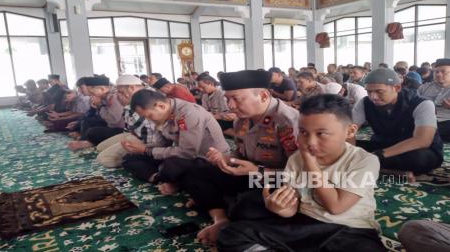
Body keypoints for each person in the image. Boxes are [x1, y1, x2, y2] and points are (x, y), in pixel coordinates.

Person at [217, 94, 385, 252]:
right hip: (303, 223)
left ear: (350, 131)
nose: (310, 142)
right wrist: (279, 208)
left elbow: (336, 207)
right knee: (230, 234)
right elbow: (292, 205)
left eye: (322, 134)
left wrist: (310, 163)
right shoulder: (297, 158)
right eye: (304, 132)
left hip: (348, 229)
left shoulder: (364, 160)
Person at [182, 70, 300, 246]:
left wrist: (258, 171)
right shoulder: (241, 120)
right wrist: (225, 158)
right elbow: (240, 154)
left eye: (236, 98)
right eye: (227, 98)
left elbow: (301, 175)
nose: (230, 105)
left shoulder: (287, 121)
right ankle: (220, 219)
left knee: (246, 207)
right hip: (250, 175)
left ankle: (222, 204)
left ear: (262, 95)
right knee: (196, 170)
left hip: (279, 182)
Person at [122, 89, 229, 195]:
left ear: (161, 106)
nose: (149, 120)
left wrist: (146, 150)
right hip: (184, 156)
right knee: (130, 158)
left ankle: (169, 179)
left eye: (149, 116)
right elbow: (162, 144)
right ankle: (161, 178)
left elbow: (188, 153)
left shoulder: (189, 114)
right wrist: (141, 148)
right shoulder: (161, 114)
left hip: (205, 158)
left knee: (172, 165)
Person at [352, 68, 443, 181]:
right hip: (382, 145)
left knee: (419, 160)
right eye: (369, 92)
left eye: (379, 91)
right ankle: (387, 170)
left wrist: (380, 155)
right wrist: (348, 151)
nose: (373, 97)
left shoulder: (422, 104)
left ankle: (372, 165)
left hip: (414, 150)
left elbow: (423, 140)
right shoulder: (364, 103)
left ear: (397, 88)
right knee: (343, 146)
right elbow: (349, 131)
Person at [96, 75, 166, 168]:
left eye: (121, 92)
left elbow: (146, 128)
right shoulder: (135, 96)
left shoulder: (148, 97)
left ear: (132, 87)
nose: (118, 95)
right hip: (134, 133)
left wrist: (127, 105)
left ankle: (136, 161)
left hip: (147, 140)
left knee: (104, 159)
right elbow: (129, 126)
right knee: (100, 148)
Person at [68, 76, 124, 150]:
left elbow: (113, 120)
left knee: (93, 132)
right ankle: (87, 140)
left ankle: (89, 142)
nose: (91, 95)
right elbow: (101, 117)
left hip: (120, 129)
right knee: (88, 123)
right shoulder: (103, 97)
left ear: (102, 89)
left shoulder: (114, 98)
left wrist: (99, 106)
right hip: (110, 125)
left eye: (92, 93)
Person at [418, 58, 450, 141]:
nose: (439, 74)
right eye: (436, 72)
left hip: (446, 122)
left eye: (443, 71)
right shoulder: (424, 87)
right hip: (425, 122)